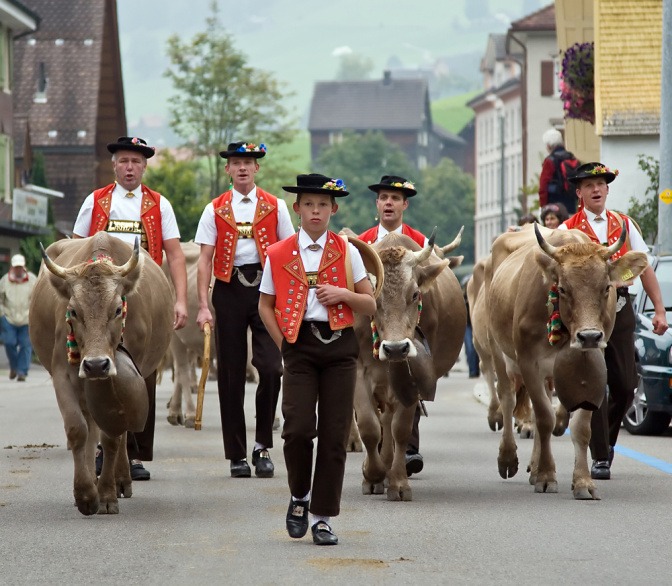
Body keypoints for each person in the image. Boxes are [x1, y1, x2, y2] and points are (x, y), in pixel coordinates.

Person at [258, 173, 376, 546]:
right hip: (299, 348)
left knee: (334, 435)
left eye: (322, 205)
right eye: (308, 204)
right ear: (297, 208)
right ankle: (299, 497)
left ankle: (323, 516)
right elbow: (264, 304)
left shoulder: (347, 250)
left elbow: (370, 303)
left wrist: (343, 293)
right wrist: (284, 343)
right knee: (295, 429)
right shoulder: (277, 253)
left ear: (333, 209)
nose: (315, 211)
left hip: (340, 349)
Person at [73, 135, 188, 481]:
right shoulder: (95, 201)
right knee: (96, 371)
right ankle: (99, 447)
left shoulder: (159, 205)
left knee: (143, 371)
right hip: (100, 299)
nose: (129, 167)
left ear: (144, 167)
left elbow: (176, 253)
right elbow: (74, 248)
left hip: (144, 296)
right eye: (124, 161)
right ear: (114, 165)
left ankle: (134, 453)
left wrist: (180, 299)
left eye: (136, 162)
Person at [559, 162, 668, 480]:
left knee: (624, 383)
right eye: (589, 184)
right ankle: (601, 456)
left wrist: (659, 310)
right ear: (579, 192)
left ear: (607, 190)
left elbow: (644, 268)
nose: (596, 189)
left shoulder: (624, 224)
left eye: (601, 184)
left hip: (620, 310)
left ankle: (605, 444)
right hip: (585, 314)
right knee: (594, 385)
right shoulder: (568, 230)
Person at [195, 141, 294, 479]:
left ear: (257, 168)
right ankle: (237, 453)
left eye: (248, 163)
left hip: (267, 292)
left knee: (270, 368)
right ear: (227, 169)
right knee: (231, 374)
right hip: (228, 290)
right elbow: (204, 259)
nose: (242, 168)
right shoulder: (215, 208)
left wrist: (293, 301)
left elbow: (289, 255)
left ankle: (262, 445)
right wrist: (203, 306)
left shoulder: (277, 206)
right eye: (236, 162)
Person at [358, 174, 429, 477]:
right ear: (377, 203)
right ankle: (376, 445)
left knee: (409, 379)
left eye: (395, 198)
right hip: (371, 322)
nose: (389, 203)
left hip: (408, 321)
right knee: (368, 379)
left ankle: (408, 447)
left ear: (404, 205)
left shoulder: (420, 242)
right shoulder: (361, 244)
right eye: (384, 197)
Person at [0, 254, 37, 382]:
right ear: (12, 267)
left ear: (24, 267)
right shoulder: (5, 280)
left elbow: (37, 299)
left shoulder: (32, 280)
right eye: (16, 267)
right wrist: (2, 314)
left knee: (26, 345)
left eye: (20, 267)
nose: (18, 270)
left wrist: (34, 314)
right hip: (9, 318)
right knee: (9, 343)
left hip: (26, 319)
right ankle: (14, 367)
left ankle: (22, 372)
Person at [538, 128, 580, 213]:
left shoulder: (550, 161)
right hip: (571, 204)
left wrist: (543, 207)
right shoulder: (571, 158)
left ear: (549, 146)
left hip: (554, 206)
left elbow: (543, 186)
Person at [461, 274, 479, 378]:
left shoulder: (477, 297)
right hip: (467, 325)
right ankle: (472, 370)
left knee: (476, 347)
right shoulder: (462, 299)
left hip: (475, 324)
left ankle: (476, 370)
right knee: (469, 348)